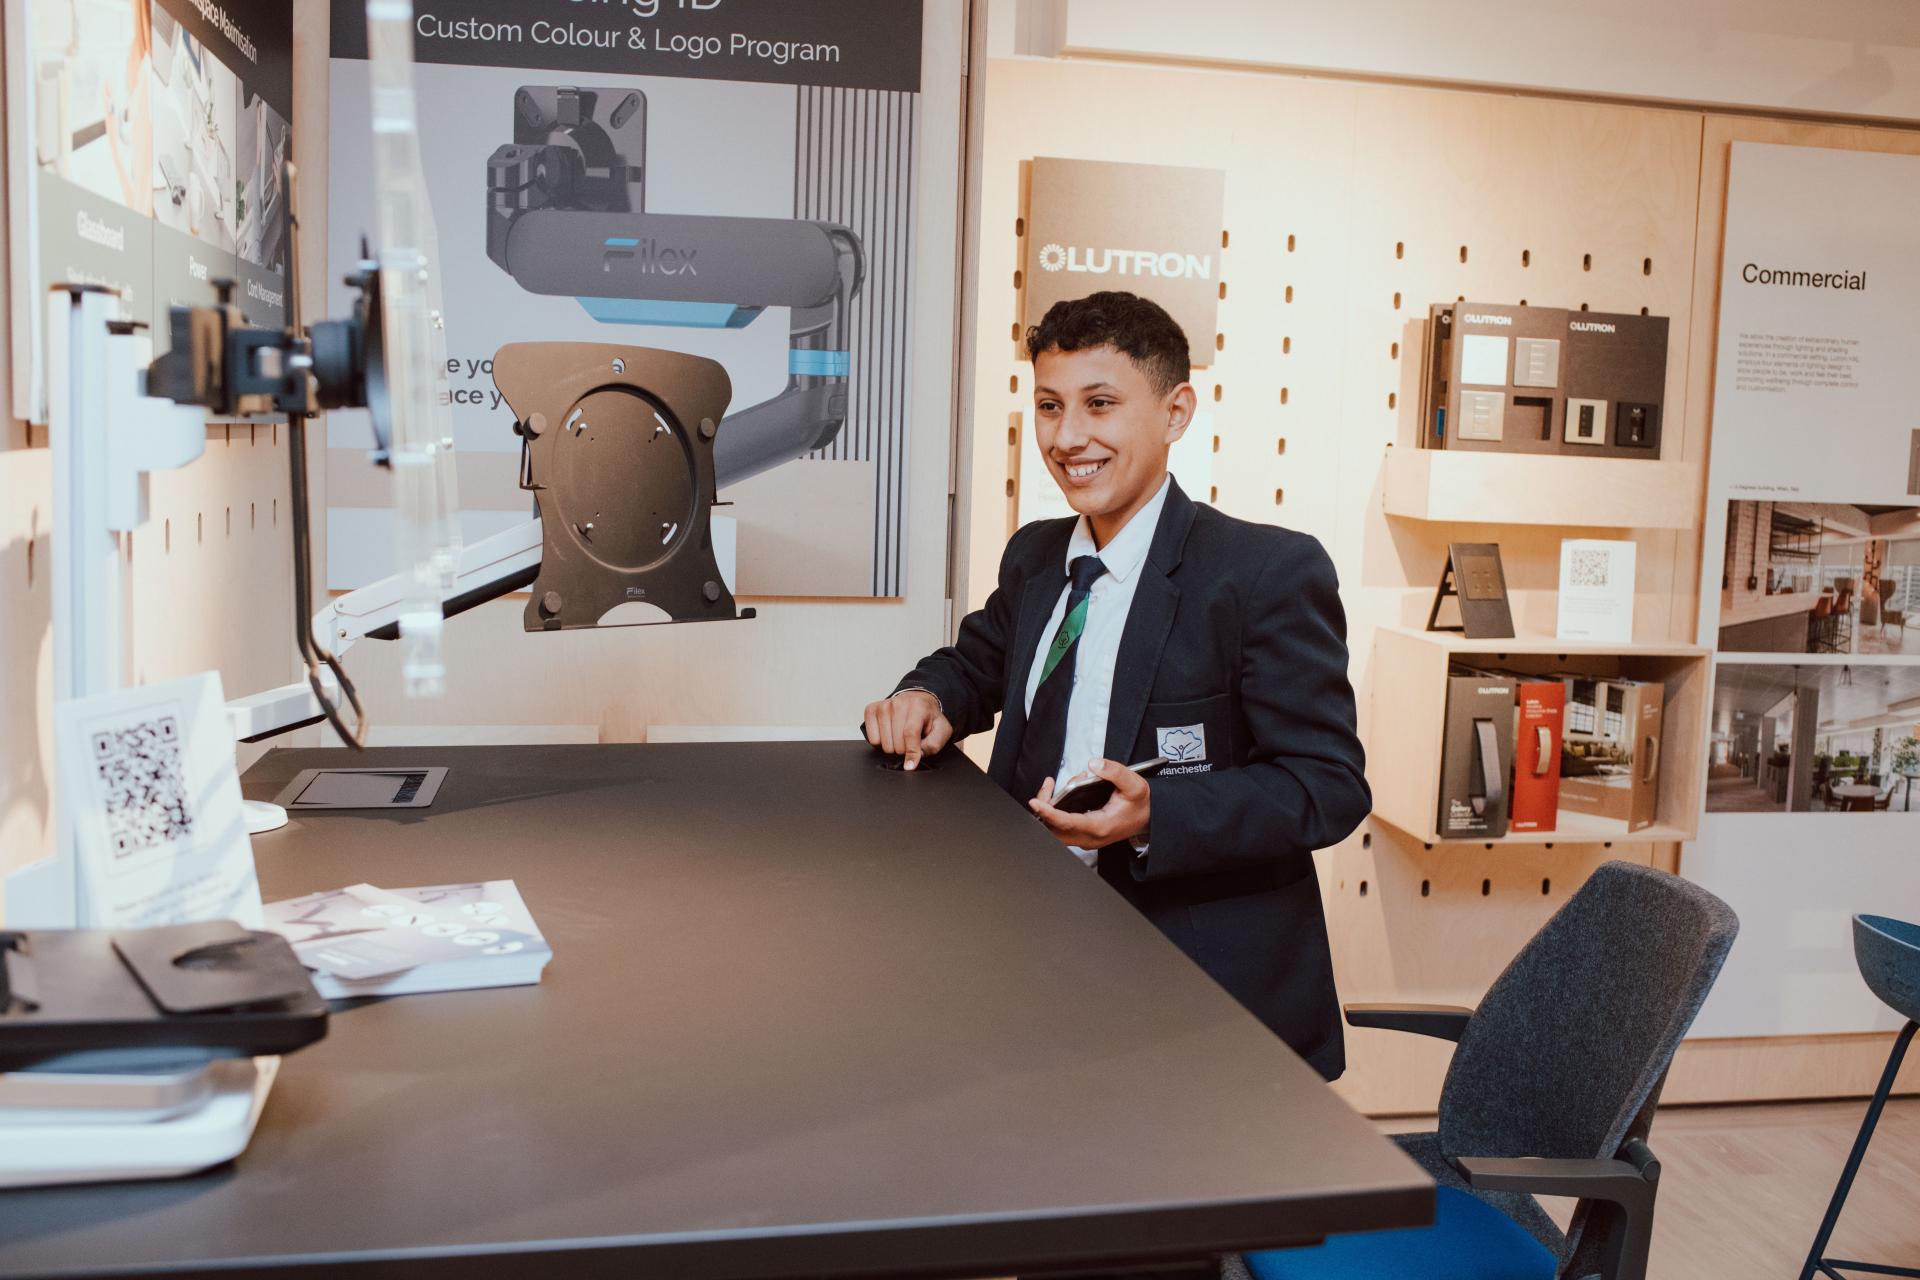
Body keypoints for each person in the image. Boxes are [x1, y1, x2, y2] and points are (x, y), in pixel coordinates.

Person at [862, 290, 1369, 1081]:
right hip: (1031, 961)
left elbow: (1327, 786)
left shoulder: (1263, 573)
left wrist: (1153, 817)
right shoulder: (1036, 556)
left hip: (1199, 1001)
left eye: (1100, 404)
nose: (1068, 438)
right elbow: (976, 665)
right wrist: (926, 697)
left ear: (1176, 412)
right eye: (1049, 406)